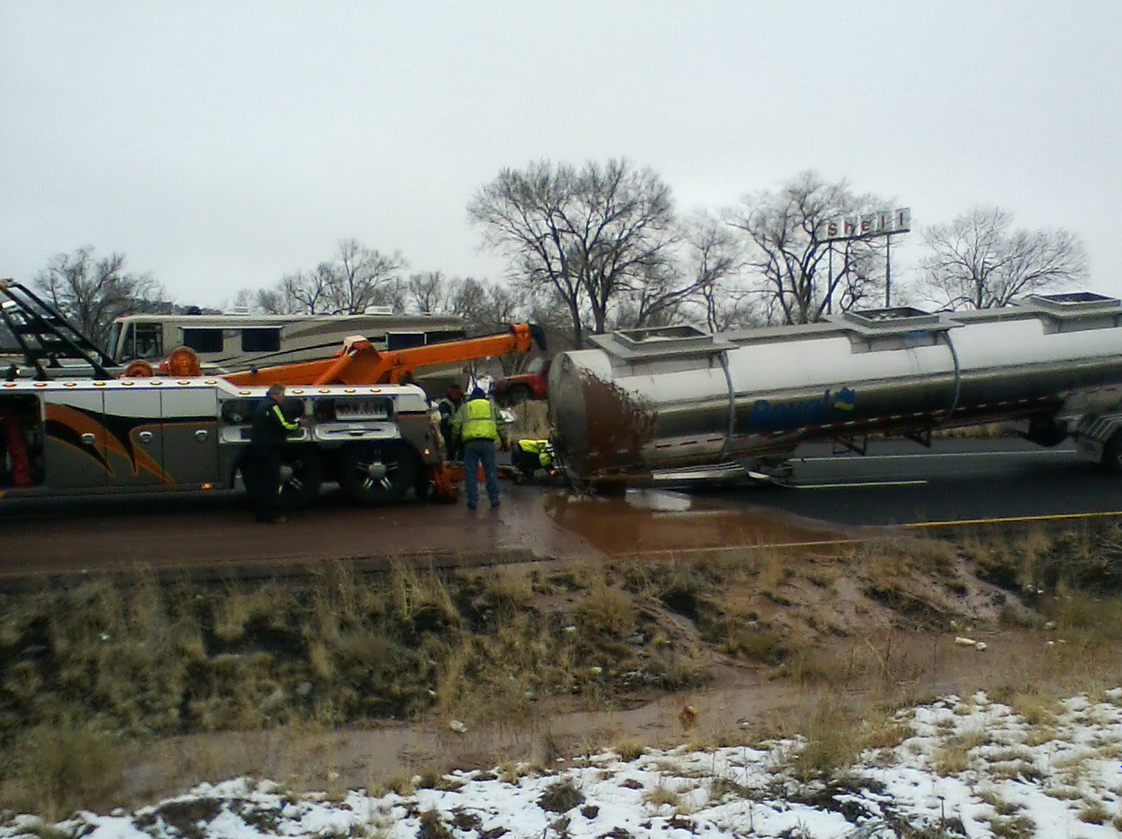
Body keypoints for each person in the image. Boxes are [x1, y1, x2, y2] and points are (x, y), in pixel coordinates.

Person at [249, 383, 304, 524]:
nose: (283, 398)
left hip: (259, 448)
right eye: (282, 395)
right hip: (271, 449)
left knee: (262, 483)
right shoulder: (273, 407)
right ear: (276, 394)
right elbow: (284, 425)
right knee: (272, 484)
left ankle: (261, 515)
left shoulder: (261, 405)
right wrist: (298, 424)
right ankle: (272, 516)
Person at [452, 386, 504, 510]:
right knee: (490, 471)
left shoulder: (465, 407)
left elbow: (456, 425)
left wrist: (454, 441)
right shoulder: (491, 406)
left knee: (471, 473)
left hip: (470, 444)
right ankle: (494, 499)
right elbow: (500, 425)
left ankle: (472, 501)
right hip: (487, 443)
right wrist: (505, 440)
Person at [437, 384, 465, 460]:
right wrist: (454, 423)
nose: (456, 395)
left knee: (462, 449)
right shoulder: (445, 403)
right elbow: (445, 417)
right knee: (450, 449)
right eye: (454, 392)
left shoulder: (463, 402)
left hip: (461, 429)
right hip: (448, 429)